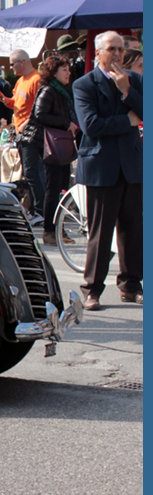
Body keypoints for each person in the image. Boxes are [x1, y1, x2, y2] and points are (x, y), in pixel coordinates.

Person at [72, 31, 143, 311]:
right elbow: (91, 126)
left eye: (121, 50)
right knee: (100, 233)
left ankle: (131, 285)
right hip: (102, 166)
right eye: (111, 49)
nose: (117, 54)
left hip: (132, 165)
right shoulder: (84, 84)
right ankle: (92, 290)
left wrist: (127, 90)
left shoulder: (135, 80)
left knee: (133, 230)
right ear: (97, 53)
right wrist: (126, 120)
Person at [30, 55, 80, 245]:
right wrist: (66, 122)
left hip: (62, 144)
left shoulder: (63, 91)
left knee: (60, 187)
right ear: (54, 72)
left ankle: (58, 230)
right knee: (53, 189)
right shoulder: (49, 90)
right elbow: (39, 115)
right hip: (51, 145)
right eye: (64, 70)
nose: (68, 73)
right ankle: (50, 231)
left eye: (68, 69)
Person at [0, 49, 44, 221]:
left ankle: (40, 211)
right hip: (21, 132)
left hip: (32, 132)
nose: (10, 67)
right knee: (29, 172)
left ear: (22, 62)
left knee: (34, 172)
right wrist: (5, 100)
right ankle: (35, 210)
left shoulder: (36, 79)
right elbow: (17, 103)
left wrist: (26, 123)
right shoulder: (21, 81)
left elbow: (40, 106)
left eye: (12, 63)